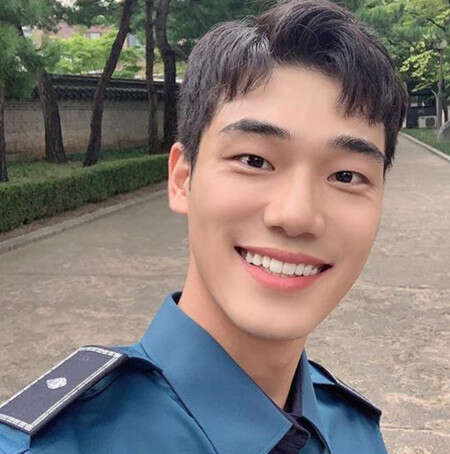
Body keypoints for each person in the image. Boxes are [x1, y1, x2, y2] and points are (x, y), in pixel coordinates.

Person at [0, 1, 407, 453]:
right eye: (254, 160)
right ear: (182, 178)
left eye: (346, 176)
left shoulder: (356, 435)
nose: (296, 215)